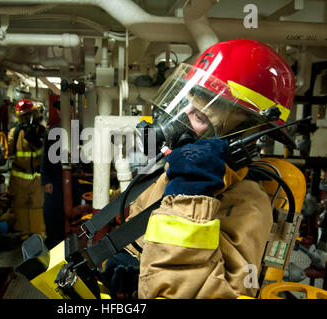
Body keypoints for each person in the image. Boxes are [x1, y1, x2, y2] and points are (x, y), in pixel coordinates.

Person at [113, 39, 296, 299]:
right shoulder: (170, 175)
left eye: (199, 116)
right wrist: (130, 262)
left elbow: (203, 293)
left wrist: (191, 200)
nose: (181, 118)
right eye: (184, 105)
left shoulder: (248, 205)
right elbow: (140, 237)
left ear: (240, 135)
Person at [7, 98, 46, 240]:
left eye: (29, 115)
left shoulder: (42, 132)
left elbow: (46, 155)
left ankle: (39, 236)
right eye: (24, 116)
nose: (26, 118)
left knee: (37, 206)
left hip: (37, 177)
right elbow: (8, 152)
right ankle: (23, 235)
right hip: (19, 177)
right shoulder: (15, 132)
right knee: (20, 206)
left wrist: (37, 140)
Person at [40, 100, 65, 249]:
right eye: (60, 110)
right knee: (52, 213)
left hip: (76, 181)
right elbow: (45, 159)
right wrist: (46, 180)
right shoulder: (53, 132)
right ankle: (54, 245)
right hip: (55, 179)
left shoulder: (82, 129)